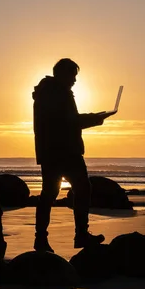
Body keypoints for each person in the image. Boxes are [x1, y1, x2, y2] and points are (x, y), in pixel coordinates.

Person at [32, 58, 116, 253]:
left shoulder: (51, 92)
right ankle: (77, 235)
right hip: (63, 151)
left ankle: (47, 238)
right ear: (62, 74)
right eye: (73, 76)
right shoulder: (55, 94)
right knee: (77, 190)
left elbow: (67, 121)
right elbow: (67, 122)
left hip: (53, 151)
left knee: (53, 193)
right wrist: (96, 118)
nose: (75, 81)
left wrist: (94, 117)